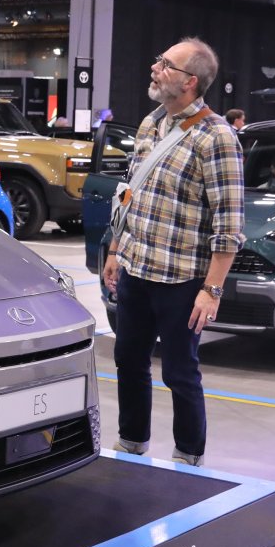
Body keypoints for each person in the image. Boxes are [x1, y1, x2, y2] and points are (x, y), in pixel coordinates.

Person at [102, 38, 243, 467]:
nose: (155, 68)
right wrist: (115, 249)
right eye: (159, 60)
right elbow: (130, 192)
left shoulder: (216, 137)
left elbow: (229, 225)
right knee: (128, 360)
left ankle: (188, 457)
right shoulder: (151, 124)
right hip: (136, 268)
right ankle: (132, 442)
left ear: (190, 81)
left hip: (181, 280)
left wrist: (211, 290)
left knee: (180, 373)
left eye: (166, 64)